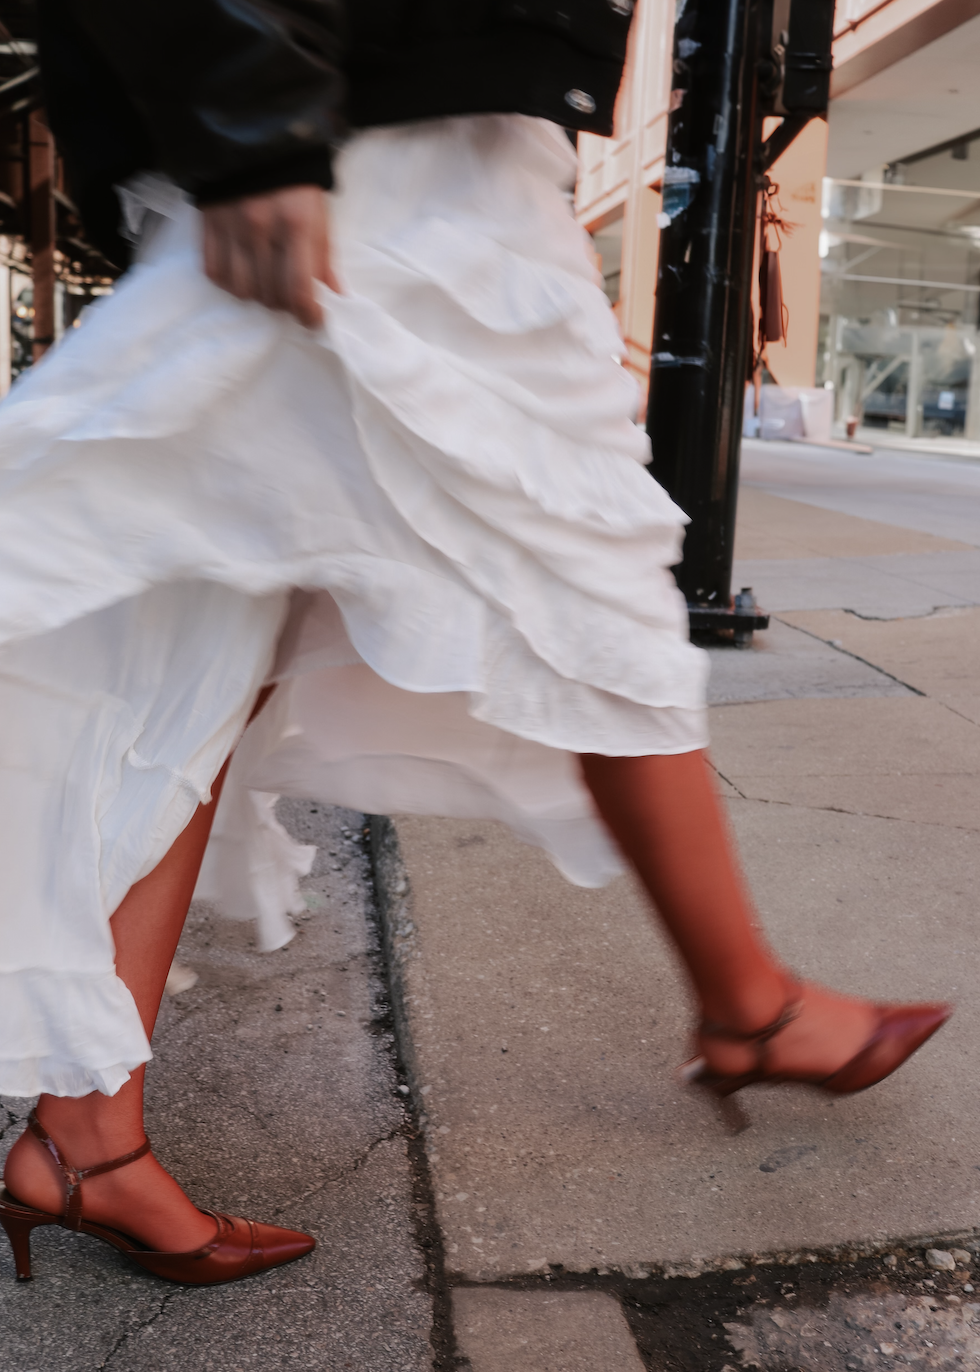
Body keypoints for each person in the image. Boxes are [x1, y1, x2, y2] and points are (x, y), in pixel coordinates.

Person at [0, 0, 949, 1286]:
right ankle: (750, 1007)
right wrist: (253, 133)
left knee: (200, 640)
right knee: (585, 575)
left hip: (351, 135)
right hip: (382, 157)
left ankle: (88, 1139)